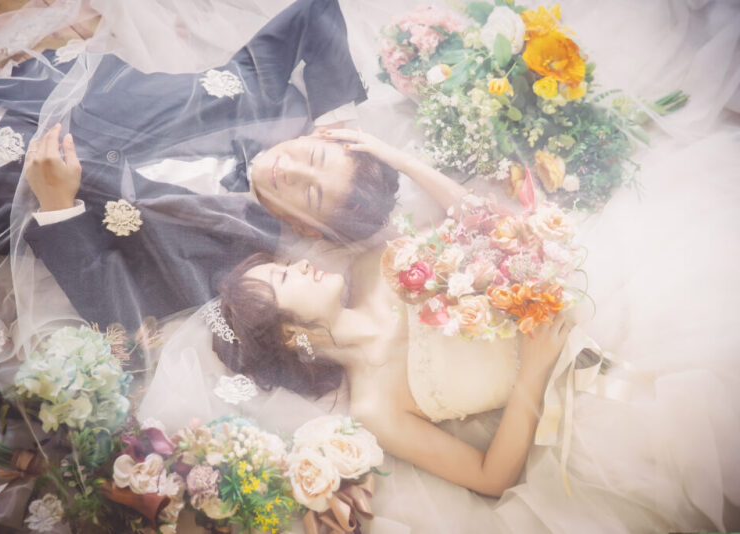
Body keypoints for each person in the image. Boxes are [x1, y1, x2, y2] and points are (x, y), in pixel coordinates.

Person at [203, 130, 739, 532]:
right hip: (582, 408)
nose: (299, 265)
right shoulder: (373, 407)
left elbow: (482, 223)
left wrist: (399, 159)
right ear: (291, 335)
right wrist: (533, 373)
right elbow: (489, 477)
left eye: (284, 266)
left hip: (601, 300)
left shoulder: (373, 267)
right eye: (283, 279)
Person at [0, 0, 399, 329]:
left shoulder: (233, 254)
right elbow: (316, 11)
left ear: (308, 229)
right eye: (314, 156)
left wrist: (58, 206)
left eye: (311, 193)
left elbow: (117, 308)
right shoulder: (261, 96)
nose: (293, 170)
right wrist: (337, 124)